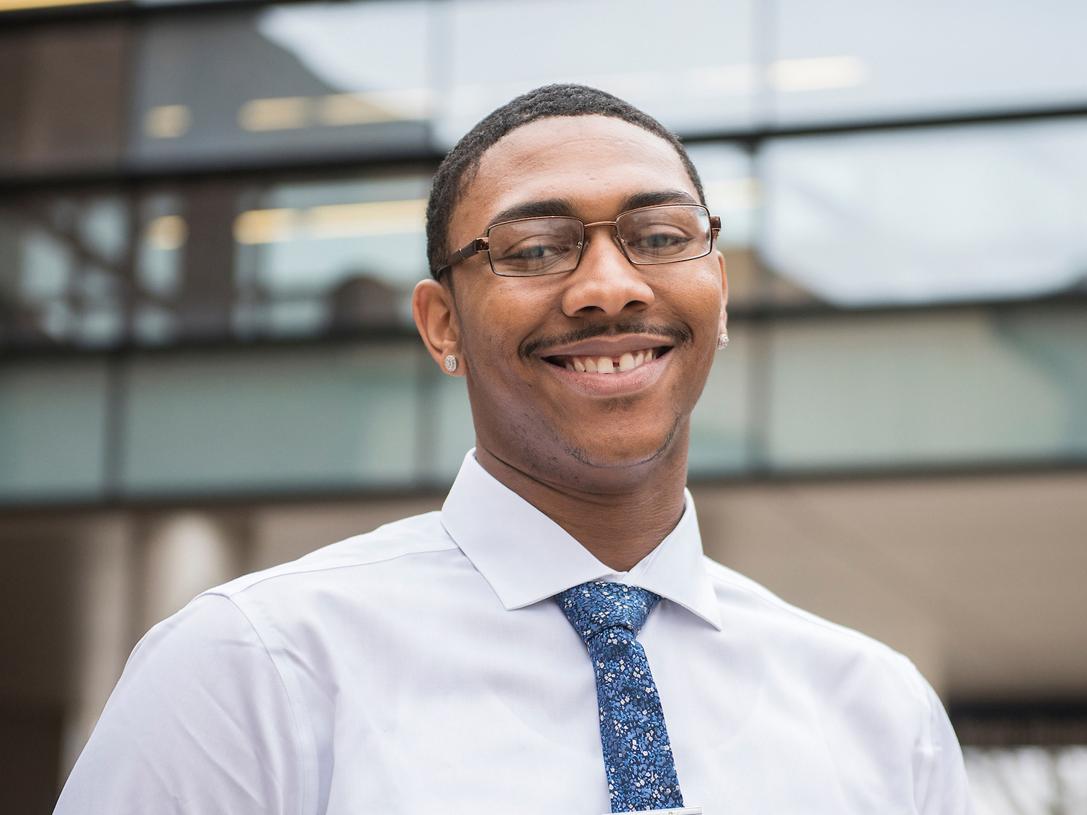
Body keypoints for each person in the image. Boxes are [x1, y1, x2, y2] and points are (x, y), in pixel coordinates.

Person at [55, 84, 973, 815]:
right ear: (441, 323)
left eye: (659, 238)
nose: (609, 288)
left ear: (718, 295)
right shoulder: (253, 666)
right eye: (535, 249)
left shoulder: (878, 713)